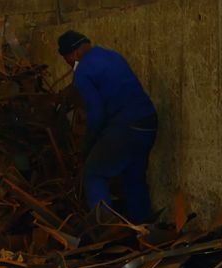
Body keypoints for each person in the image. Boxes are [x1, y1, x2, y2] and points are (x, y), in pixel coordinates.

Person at [57, 30, 158, 224]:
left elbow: (96, 113)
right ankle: (145, 230)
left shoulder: (83, 72)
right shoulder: (113, 56)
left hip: (125, 126)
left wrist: (88, 146)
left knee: (93, 172)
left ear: (74, 54)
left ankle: (106, 232)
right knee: (134, 178)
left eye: (67, 59)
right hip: (148, 123)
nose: (69, 64)